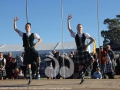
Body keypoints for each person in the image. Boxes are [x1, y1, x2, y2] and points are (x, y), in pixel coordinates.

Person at [13, 17, 42, 84]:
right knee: (28, 65)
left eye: (28, 26)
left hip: (32, 49)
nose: (27, 27)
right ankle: (30, 78)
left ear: (30, 28)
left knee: (38, 58)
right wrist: (14, 21)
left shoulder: (34, 34)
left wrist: (36, 43)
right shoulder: (23, 34)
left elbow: (40, 39)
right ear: (25, 28)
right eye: (26, 26)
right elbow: (15, 29)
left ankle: (37, 70)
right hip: (26, 50)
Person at [67, 15, 94, 84]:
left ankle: (85, 69)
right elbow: (69, 29)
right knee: (79, 66)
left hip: (84, 51)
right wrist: (68, 20)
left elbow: (92, 39)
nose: (79, 28)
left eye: (80, 27)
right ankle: (82, 79)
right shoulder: (75, 35)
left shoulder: (85, 34)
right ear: (76, 28)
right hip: (79, 51)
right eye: (78, 27)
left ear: (82, 28)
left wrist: (87, 45)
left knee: (92, 60)